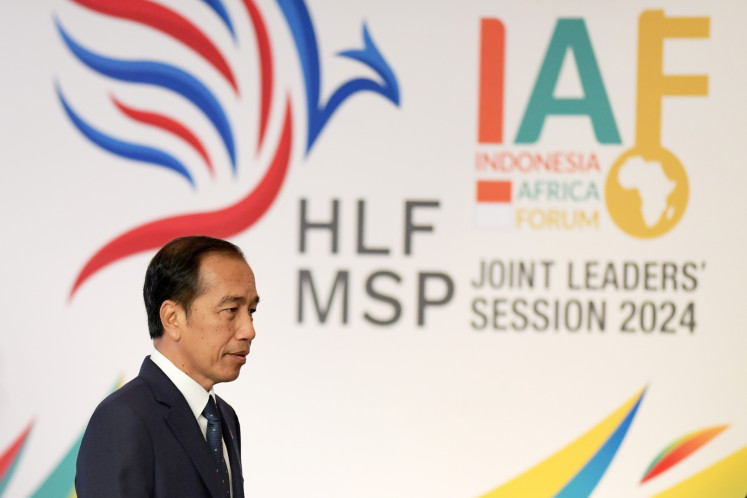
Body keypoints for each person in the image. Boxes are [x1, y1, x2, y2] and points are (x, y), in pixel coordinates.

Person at [75, 236, 259, 497]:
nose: (249, 330)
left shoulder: (224, 418)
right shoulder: (123, 420)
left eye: (251, 311)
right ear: (172, 318)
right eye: (231, 309)